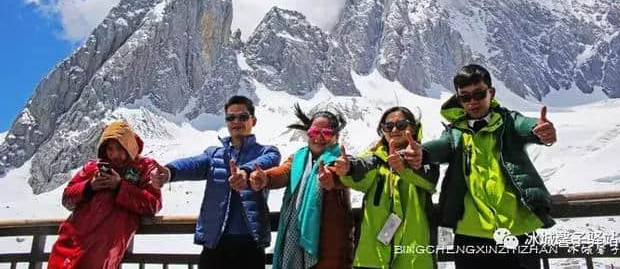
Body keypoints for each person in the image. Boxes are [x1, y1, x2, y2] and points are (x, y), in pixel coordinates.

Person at [420, 64, 557, 269]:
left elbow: (527, 127)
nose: (472, 102)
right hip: (470, 236)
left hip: (518, 231)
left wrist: (540, 131)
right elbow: (441, 148)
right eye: (465, 97)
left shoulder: (509, 121)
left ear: (491, 93)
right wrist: (421, 153)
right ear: (459, 99)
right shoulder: (455, 132)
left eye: (478, 94)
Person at [150, 95, 281, 269]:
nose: (236, 121)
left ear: (253, 120)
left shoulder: (268, 152)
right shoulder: (214, 155)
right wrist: (169, 172)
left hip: (250, 244)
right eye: (230, 117)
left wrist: (245, 172)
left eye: (242, 117)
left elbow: (269, 162)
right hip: (215, 243)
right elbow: (193, 164)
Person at [249, 104, 354, 269]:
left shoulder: (341, 161)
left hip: (329, 249)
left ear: (336, 136)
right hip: (296, 239)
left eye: (325, 133)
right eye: (313, 132)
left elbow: (343, 174)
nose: (318, 137)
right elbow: (284, 173)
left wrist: (332, 177)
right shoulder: (299, 157)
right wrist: (266, 178)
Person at [48, 120, 162, 269]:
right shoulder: (93, 167)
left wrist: (120, 187)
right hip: (70, 244)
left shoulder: (145, 167)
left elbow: (153, 204)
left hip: (102, 251)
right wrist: (89, 187)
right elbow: (67, 198)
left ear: (130, 146)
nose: (115, 155)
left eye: (120, 149)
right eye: (110, 149)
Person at [335, 106, 439, 269]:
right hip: (372, 258)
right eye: (388, 126)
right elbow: (360, 167)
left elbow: (430, 179)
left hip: (413, 258)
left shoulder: (424, 157)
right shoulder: (375, 159)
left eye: (401, 124)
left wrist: (405, 167)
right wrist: (348, 168)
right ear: (382, 131)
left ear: (413, 127)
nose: (395, 129)